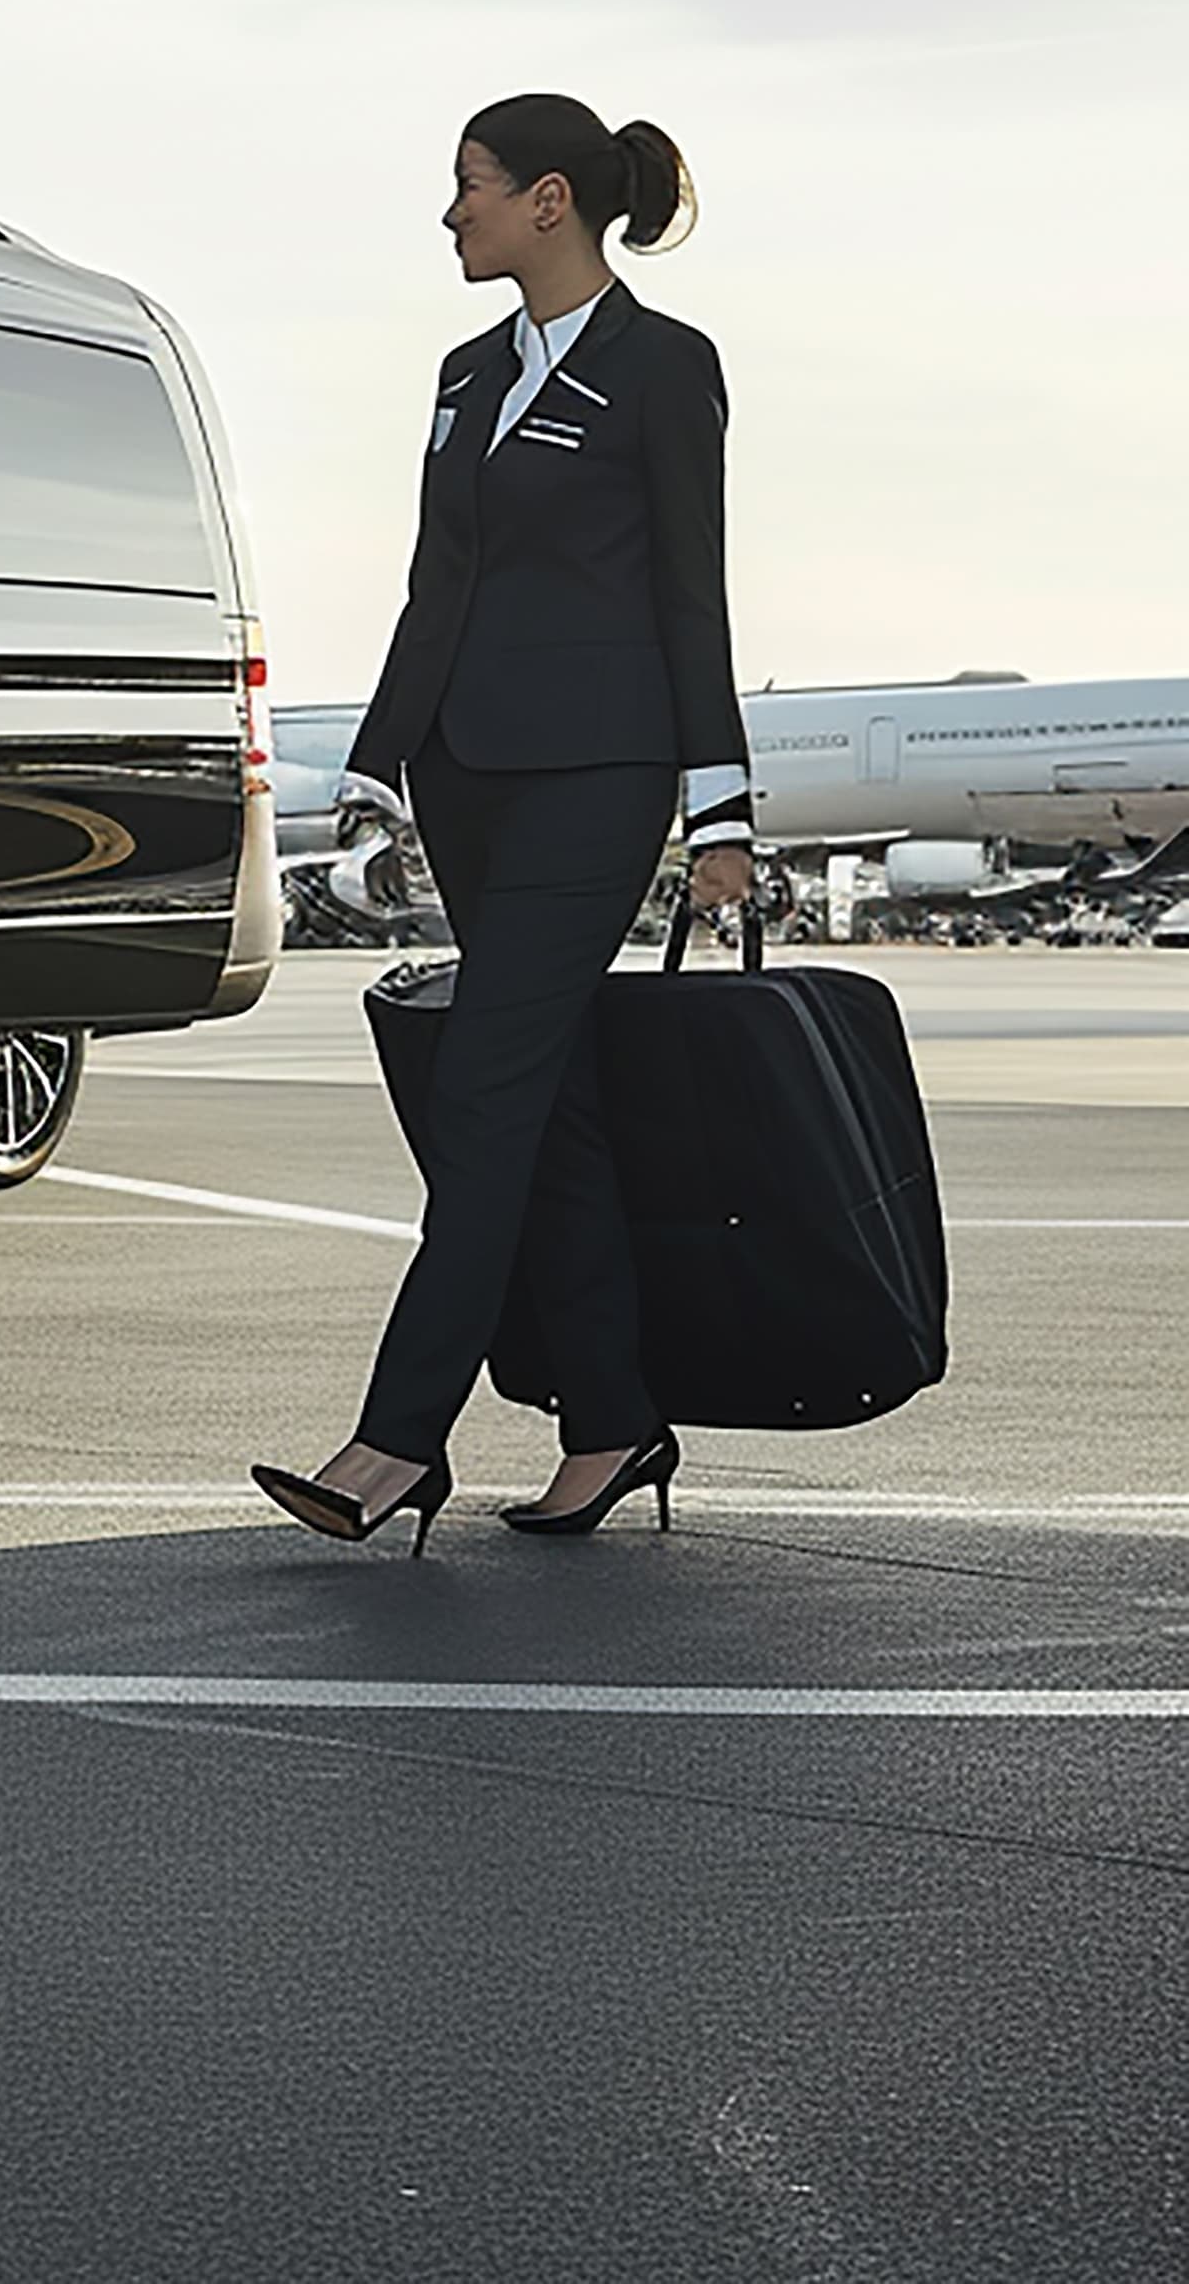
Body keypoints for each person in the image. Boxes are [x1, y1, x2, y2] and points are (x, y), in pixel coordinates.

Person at [256, 97, 758, 1553]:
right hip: (471, 776)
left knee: (483, 1095)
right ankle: (610, 1422)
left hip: (600, 779)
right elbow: (440, 578)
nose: (449, 212)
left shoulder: (667, 367)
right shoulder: (465, 373)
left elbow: (690, 590)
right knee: (549, 1115)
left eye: (467, 186)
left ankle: (395, 1438)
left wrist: (718, 804)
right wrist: (379, 760)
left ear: (551, 199)